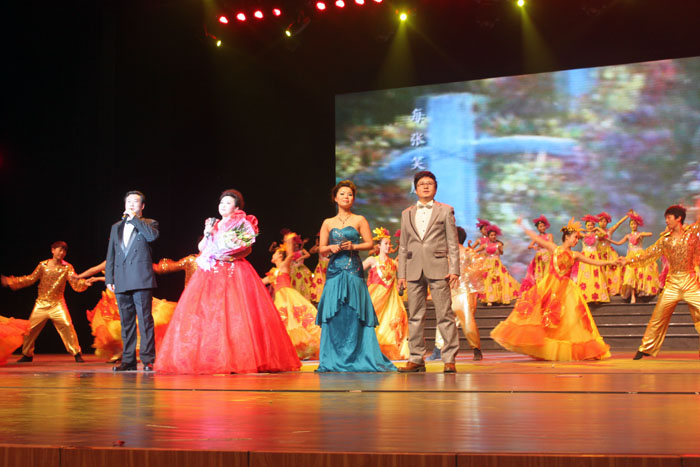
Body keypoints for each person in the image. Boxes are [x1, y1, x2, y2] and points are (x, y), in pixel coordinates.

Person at [156, 189, 300, 374]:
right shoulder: (214, 224)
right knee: (210, 313)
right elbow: (202, 248)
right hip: (212, 271)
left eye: (228, 203)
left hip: (234, 270)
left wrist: (229, 254)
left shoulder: (241, 224)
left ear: (236, 208)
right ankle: (212, 358)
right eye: (221, 203)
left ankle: (239, 358)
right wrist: (207, 233)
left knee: (236, 312)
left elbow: (246, 248)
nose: (223, 206)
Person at [490, 218, 614, 361]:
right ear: (567, 237)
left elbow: (595, 262)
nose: (576, 241)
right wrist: (523, 226)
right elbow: (536, 238)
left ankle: (574, 348)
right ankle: (544, 348)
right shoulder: (554, 249)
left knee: (570, 319)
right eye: (575, 237)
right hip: (549, 286)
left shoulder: (575, 255)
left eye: (578, 238)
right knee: (543, 314)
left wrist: (611, 261)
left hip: (567, 290)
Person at [315, 180, 396, 372]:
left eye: (350, 194)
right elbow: (321, 249)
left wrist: (353, 246)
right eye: (342, 194)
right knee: (334, 314)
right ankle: (333, 358)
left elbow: (369, 244)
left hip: (353, 269)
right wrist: (331, 247)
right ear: (335, 198)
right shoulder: (328, 222)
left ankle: (361, 355)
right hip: (335, 271)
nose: (346, 197)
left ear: (353, 199)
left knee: (355, 312)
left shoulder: (360, 219)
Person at [397, 171, 460, 373]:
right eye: (421, 184)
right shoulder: (406, 213)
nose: (425, 186)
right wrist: (401, 274)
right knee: (415, 316)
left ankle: (449, 359)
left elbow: (453, 243)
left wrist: (454, 270)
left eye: (429, 183)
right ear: (415, 189)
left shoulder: (445, 210)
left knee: (445, 315)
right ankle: (416, 358)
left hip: (439, 267)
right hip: (413, 268)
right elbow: (403, 246)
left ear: (435, 188)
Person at [78, 255, 196, 362]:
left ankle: (137, 352)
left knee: (130, 323)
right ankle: (119, 352)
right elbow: (95, 269)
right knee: (112, 325)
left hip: (125, 294)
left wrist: (98, 279)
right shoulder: (111, 259)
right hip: (112, 297)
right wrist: (80, 276)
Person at [621, 205, 700, 359]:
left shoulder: (692, 234)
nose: (666, 221)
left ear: (678, 218)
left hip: (690, 281)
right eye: (666, 218)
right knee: (658, 316)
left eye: (669, 218)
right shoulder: (665, 240)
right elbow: (648, 254)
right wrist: (628, 260)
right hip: (673, 283)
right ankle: (646, 347)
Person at [1, 241, 91, 362]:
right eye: (59, 250)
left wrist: (84, 283)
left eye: (64, 251)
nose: (62, 253)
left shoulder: (67, 267)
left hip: (57, 304)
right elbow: (30, 279)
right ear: (53, 250)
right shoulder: (43, 265)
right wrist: (11, 281)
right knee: (29, 329)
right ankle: (27, 354)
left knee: (67, 326)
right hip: (41, 304)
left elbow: (74, 282)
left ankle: (76, 353)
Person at [105, 190, 159, 372]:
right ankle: (128, 360)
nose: (131, 204)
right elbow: (111, 253)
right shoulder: (116, 227)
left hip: (141, 278)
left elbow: (152, 237)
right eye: (128, 201)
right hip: (122, 278)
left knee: (144, 320)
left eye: (135, 202)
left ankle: (147, 359)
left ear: (142, 206)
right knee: (126, 322)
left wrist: (135, 219)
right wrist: (109, 278)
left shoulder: (149, 223)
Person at [432, 226, 487, 362]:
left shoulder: (468, 252)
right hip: (449, 290)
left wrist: (464, 276)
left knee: (467, 320)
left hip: (463, 291)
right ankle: (438, 349)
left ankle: (476, 348)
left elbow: (479, 267)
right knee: (443, 319)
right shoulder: (446, 254)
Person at [262, 242, 321, 360]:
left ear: (280, 256)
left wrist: (289, 241)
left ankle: (301, 348)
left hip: (288, 297)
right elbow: (261, 282)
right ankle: (289, 350)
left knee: (293, 321)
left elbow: (289, 255)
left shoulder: (283, 267)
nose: (273, 255)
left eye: (275, 253)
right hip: (279, 299)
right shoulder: (273, 272)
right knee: (284, 323)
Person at [362, 227, 410, 360]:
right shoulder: (372, 260)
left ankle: (390, 349)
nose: (388, 246)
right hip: (376, 297)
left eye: (389, 244)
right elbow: (357, 270)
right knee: (373, 321)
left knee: (393, 321)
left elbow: (403, 277)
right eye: (386, 244)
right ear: (379, 245)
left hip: (391, 299)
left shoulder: (394, 263)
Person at [609, 211, 659, 304]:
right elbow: (619, 243)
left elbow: (650, 234)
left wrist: (640, 235)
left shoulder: (640, 234)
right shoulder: (628, 236)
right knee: (630, 274)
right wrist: (610, 241)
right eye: (632, 224)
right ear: (630, 225)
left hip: (639, 255)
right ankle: (632, 295)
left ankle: (640, 292)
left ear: (637, 225)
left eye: (635, 224)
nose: (633, 225)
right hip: (630, 256)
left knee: (641, 273)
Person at [473, 224, 521, 306]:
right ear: (488, 236)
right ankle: (489, 299)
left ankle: (498, 297)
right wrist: (469, 249)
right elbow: (475, 251)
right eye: (491, 235)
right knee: (488, 280)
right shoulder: (485, 245)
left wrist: (499, 249)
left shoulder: (499, 244)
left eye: (494, 235)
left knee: (500, 280)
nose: (493, 236)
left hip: (497, 264)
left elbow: (501, 253)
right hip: (488, 264)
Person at [576, 215, 610, 303]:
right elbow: (576, 232)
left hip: (594, 256)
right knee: (585, 275)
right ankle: (585, 296)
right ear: (586, 226)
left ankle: (596, 296)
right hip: (585, 256)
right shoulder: (583, 235)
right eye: (588, 225)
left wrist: (597, 229)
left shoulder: (596, 235)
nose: (590, 227)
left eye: (591, 225)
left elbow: (605, 234)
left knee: (596, 275)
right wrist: (584, 230)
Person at [596, 211, 629, 296]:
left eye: (605, 221)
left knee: (613, 268)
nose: (603, 223)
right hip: (598, 251)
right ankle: (601, 288)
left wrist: (626, 216)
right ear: (598, 222)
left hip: (609, 251)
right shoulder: (595, 231)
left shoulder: (610, 230)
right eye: (601, 221)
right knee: (600, 270)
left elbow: (618, 223)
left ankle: (612, 288)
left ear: (607, 223)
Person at [520, 215, 553, 292]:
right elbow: (529, 246)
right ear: (537, 228)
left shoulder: (549, 235)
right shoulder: (537, 237)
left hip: (547, 255)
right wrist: (534, 247)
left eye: (543, 226)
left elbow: (551, 245)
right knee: (539, 272)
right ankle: (540, 289)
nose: (542, 228)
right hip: (539, 257)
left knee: (547, 272)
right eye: (540, 226)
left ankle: (546, 289)